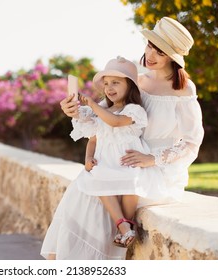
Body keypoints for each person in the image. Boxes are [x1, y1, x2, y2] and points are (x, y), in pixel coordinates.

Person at [56, 17, 204, 259]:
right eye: (149, 46)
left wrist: (151, 159)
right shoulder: (138, 79)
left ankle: (109, 250)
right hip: (123, 158)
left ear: (173, 58)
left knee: (96, 195)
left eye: (161, 52)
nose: (151, 54)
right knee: (83, 189)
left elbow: (191, 142)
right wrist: (74, 110)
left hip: (157, 168)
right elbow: (107, 112)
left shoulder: (184, 90)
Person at [40, 57, 168, 260]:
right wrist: (88, 158)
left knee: (131, 182)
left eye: (116, 82)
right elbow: (93, 139)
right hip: (105, 161)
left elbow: (116, 122)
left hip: (127, 160)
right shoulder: (102, 108)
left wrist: (91, 104)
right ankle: (122, 224)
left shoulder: (134, 110)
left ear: (131, 86)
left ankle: (127, 224)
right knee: (96, 177)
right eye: (106, 83)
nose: (109, 87)